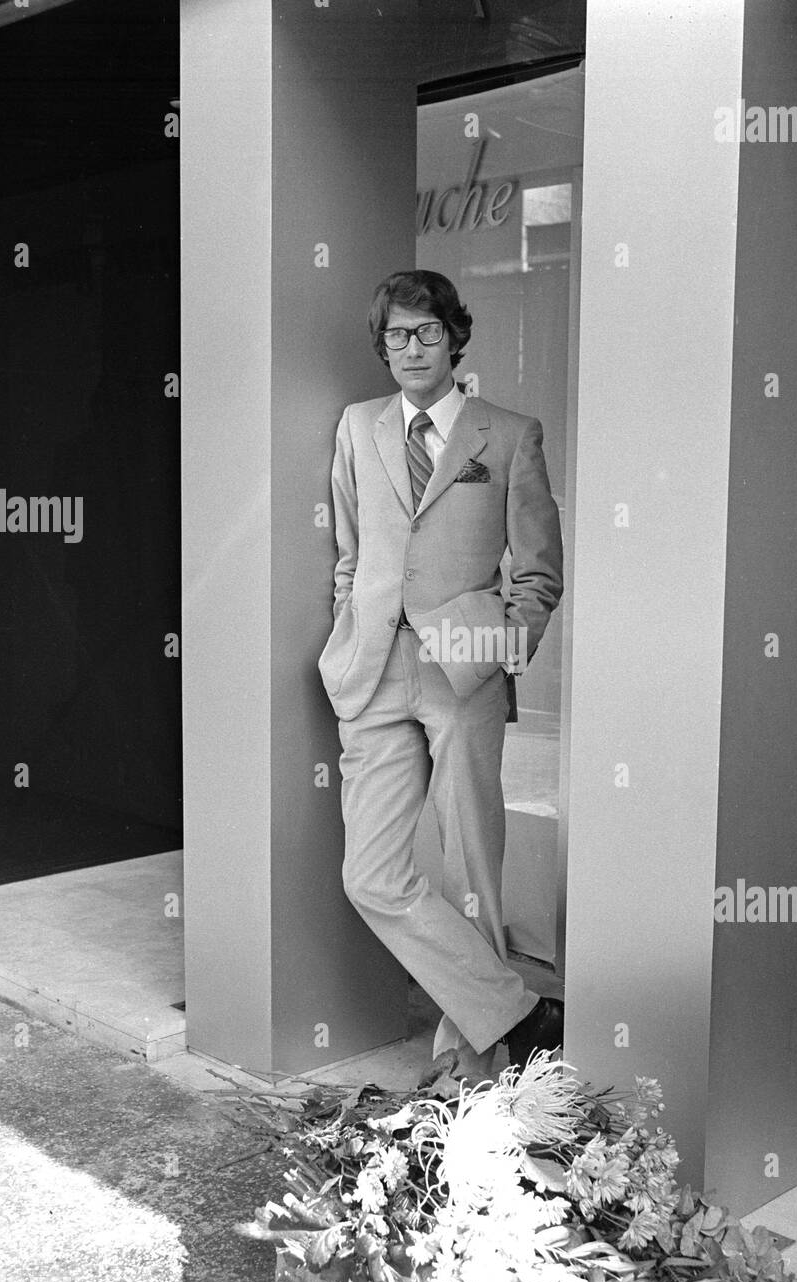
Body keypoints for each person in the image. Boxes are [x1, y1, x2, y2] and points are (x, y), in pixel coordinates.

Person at [318, 269, 565, 1075]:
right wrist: (348, 635)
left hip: (462, 673)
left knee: (469, 871)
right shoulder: (358, 427)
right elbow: (351, 557)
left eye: (427, 332)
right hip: (373, 672)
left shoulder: (507, 433)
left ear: (456, 338)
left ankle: (477, 1067)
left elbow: (538, 573)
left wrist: (497, 647)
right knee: (373, 875)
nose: (412, 347)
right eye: (396, 334)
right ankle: (518, 1013)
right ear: (382, 345)